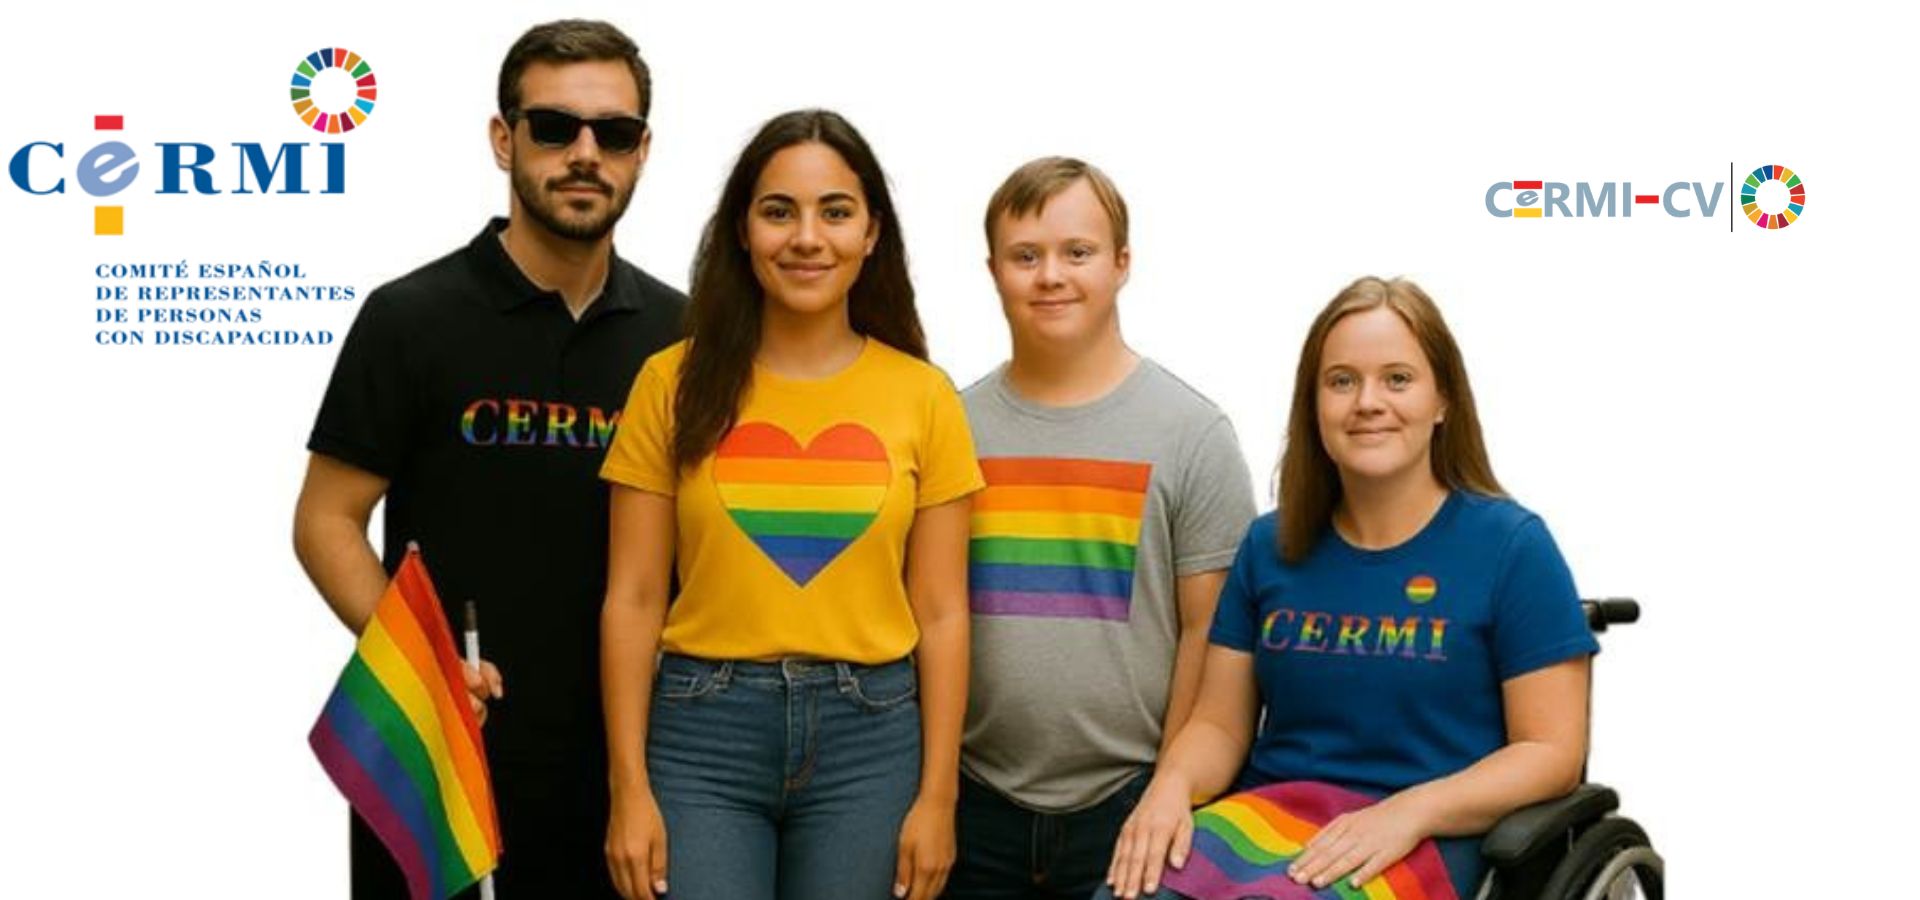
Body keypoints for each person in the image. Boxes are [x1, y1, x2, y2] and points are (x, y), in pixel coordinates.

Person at [292, 19, 686, 899]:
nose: (585, 154)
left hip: (637, 765)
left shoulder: (684, 337)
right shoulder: (410, 318)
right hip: (441, 755)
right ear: (504, 139)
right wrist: (424, 663)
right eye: (554, 127)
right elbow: (325, 521)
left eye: (613, 133)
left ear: (642, 151)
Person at [1103, 277, 1599, 900]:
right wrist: (1171, 785)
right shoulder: (1269, 546)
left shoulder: (1511, 547)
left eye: (1398, 379)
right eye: (1341, 381)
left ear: (1442, 400)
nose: (1368, 402)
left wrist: (1412, 811)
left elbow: (1550, 751)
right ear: (1313, 405)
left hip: (1431, 828)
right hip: (1272, 814)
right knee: (1134, 886)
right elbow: (1220, 727)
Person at [597, 109, 982, 900]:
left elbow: (943, 610)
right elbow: (633, 597)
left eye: (835, 212)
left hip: (871, 739)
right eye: (779, 211)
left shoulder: (925, 395)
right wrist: (628, 788)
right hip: (702, 736)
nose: (807, 238)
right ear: (743, 231)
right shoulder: (669, 384)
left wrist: (939, 797)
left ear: (872, 233)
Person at [946, 157, 1255, 900]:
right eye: (1026, 256)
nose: (1051, 275)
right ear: (993, 272)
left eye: (1077, 252)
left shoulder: (1192, 433)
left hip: (1130, 804)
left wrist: (1169, 786)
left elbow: (1209, 632)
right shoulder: (951, 427)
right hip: (971, 800)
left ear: (1122, 264)